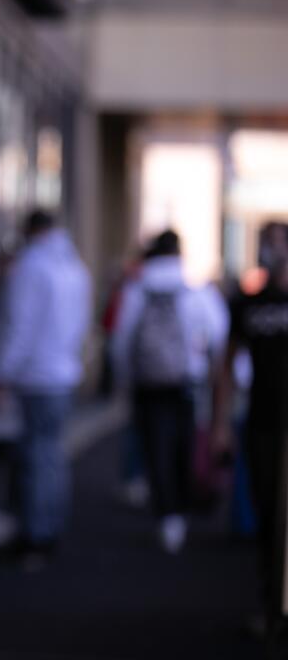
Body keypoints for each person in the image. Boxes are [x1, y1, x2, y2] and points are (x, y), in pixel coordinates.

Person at [109, 230, 228, 553]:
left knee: (154, 448)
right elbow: (219, 334)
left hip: (148, 385)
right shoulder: (195, 291)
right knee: (184, 445)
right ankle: (180, 510)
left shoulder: (137, 290)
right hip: (186, 383)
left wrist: (125, 378)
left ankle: (166, 513)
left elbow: (121, 342)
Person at [0, 210, 90, 567]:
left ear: (30, 230)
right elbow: (81, 322)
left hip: (35, 376)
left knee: (32, 458)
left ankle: (32, 535)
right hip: (63, 373)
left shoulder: (31, 267)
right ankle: (49, 528)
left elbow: (20, 325)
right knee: (52, 456)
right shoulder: (74, 266)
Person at [214, 222, 288, 642]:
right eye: (264, 244)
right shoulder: (246, 303)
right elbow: (226, 364)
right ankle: (268, 604)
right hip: (261, 422)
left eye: (275, 244)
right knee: (266, 515)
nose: (268, 252)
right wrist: (221, 424)